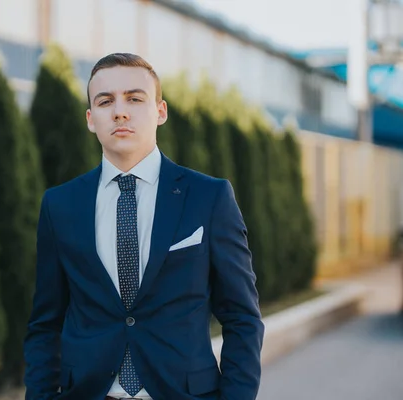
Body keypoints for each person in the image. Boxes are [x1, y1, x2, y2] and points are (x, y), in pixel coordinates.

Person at [23, 53, 264, 400]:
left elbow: (243, 318)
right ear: (91, 119)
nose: (120, 111)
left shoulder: (208, 197)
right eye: (105, 102)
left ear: (160, 111)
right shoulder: (60, 205)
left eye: (135, 98)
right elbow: (45, 324)